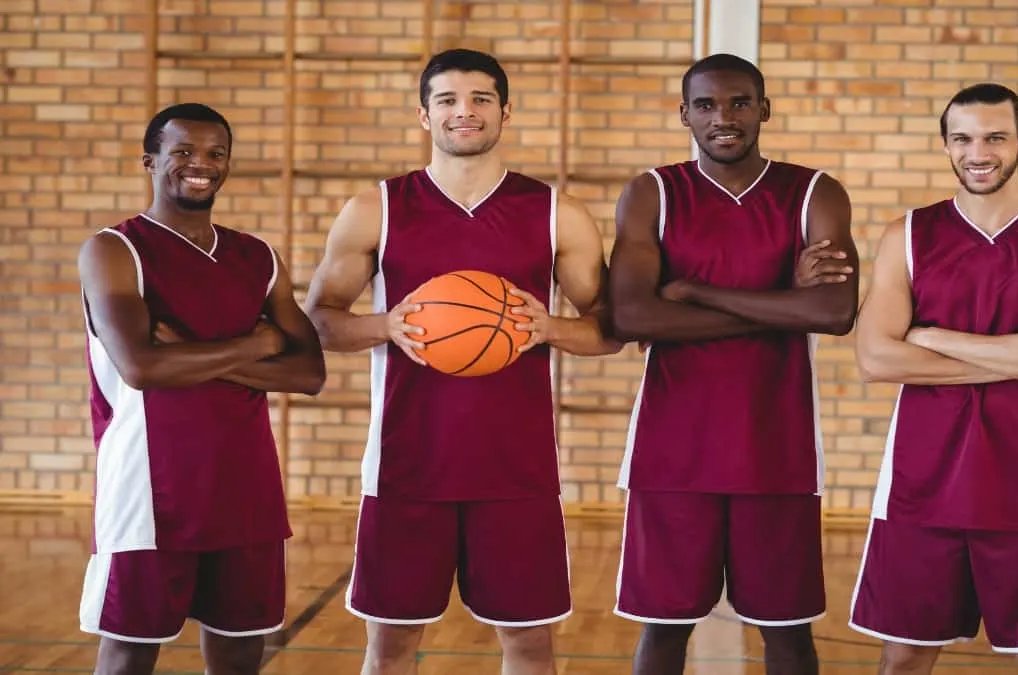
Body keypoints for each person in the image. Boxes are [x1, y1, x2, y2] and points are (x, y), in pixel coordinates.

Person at [302, 48, 620, 675]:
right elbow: (320, 321)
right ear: (424, 115)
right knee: (390, 646)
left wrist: (548, 327)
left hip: (516, 470)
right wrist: (385, 325)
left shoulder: (558, 213)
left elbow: (611, 329)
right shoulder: (377, 209)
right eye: (447, 100)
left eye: (480, 99)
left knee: (529, 643)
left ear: (505, 111)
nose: (464, 112)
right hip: (405, 465)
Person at [607, 53, 860, 675]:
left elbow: (833, 311)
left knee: (788, 634)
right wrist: (784, 305)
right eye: (707, 105)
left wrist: (694, 290)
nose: (724, 118)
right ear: (684, 114)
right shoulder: (652, 193)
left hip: (777, 450)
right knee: (664, 632)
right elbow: (632, 319)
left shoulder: (814, 192)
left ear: (765, 110)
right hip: (672, 453)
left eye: (740, 102)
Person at [850, 83, 1018, 674]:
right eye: (962, 138)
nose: (979, 152)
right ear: (945, 145)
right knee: (905, 657)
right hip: (921, 480)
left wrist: (930, 335)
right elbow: (875, 361)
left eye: (995, 137)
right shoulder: (907, 235)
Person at [75, 102, 327, 675]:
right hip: (148, 489)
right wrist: (259, 345)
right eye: (183, 152)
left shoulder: (257, 257)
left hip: (247, 488)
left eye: (216, 154)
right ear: (150, 160)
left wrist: (186, 352)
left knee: (241, 647)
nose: (201, 165)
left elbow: (309, 374)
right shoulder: (115, 250)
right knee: (129, 652)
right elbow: (141, 368)